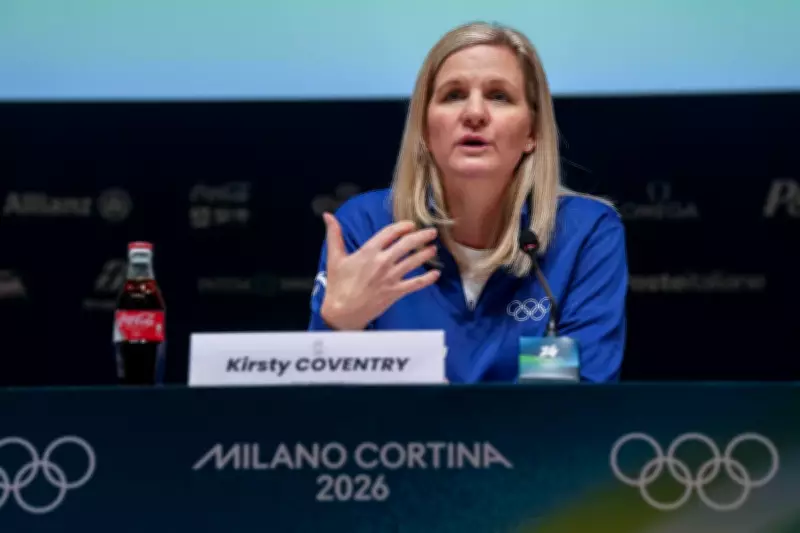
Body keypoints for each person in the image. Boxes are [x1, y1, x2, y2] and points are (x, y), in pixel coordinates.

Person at [308, 21, 628, 383]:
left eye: (499, 96)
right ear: (425, 129)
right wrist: (338, 327)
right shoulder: (368, 227)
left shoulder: (583, 233)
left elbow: (584, 395)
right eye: (453, 95)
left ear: (533, 132)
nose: (474, 113)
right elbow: (324, 407)